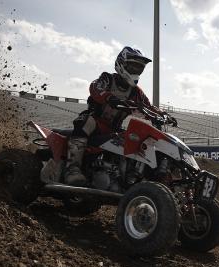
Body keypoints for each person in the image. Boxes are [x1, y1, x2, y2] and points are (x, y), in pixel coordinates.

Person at [65, 46, 177, 186]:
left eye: (139, 68)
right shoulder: (108, 79)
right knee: (85, 121)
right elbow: (95, 87)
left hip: (114, 130)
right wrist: (108, 97)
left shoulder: (136, 92)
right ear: (121, 64)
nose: (135, 71)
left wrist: (163, 115)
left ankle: (128, 179)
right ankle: (72, 169)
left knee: (136, 138)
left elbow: (148, 107)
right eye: (132, 66)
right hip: (95, 123)